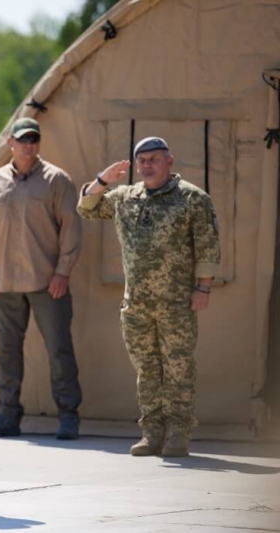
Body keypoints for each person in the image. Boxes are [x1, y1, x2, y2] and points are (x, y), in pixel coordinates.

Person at [77, 137, 221, 457]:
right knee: (146, 368)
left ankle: (178, 432)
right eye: (141, 161)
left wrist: (203, 287)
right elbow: (86, 207)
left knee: (178, 366)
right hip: (137, 304)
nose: (147, 166)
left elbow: (208, 245)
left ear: (170, 161)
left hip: (177, 302)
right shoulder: (127, 197)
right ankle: (152, 432)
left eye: (153, 159)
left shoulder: (192, 198)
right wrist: (103, 180)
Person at [0, 117, 83, 440]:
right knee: (6, 351)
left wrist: (63, 271)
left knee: (59, 349)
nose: (29, 145)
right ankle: (8, 415)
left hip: (48, 281)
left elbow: (71, 228)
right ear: (10, 142)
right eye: (23, 140)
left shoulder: (56, 180)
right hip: (4, 282)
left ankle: (68, 416)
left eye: (34, 140)